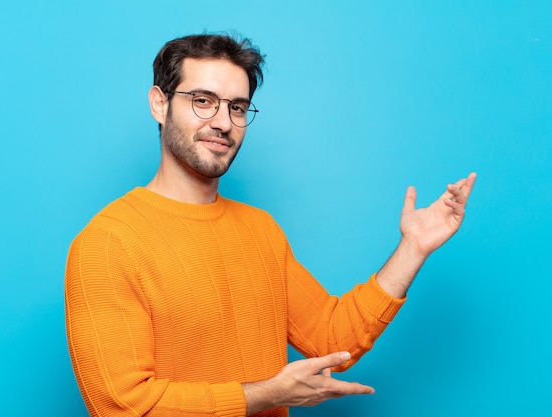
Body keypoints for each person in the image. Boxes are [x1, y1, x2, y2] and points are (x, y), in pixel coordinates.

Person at [65, 33, 476, 417]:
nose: (223, 122)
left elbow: (331, 340)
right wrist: (268, 394)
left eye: (237, 107)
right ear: (159, 103)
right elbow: (122, 405)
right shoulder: (107, 243)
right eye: (203, 101)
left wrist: (414, 247)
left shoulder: (260, 229)